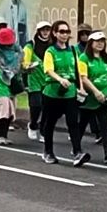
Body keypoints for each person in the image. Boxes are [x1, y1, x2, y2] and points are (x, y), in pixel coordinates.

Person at [40, 20, 89, 166]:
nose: (64, 34)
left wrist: (81, 88)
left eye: (67, 32)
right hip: (53, 92)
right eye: (61, 31)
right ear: (54, 33)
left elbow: (78, 70)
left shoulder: (73, 50)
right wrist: (60, 79)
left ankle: (77, 152)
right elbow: (48, 69)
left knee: (73, 122)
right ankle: (48, 151)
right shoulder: (50, 51)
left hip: (70, 93)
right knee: (50, 123)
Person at [77, 31, 107, 163]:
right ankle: (76, 149)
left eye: (102, 41)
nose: (100, 44)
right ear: (91, 43)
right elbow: (83, 77)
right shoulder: (84, 58)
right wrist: (95, 91)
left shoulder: (105, 58)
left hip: (103, 97)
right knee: (82, 125)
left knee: (105, 125)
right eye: (97, 41)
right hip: (89, 98)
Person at [22, 20, 53, 142]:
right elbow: (25, 61)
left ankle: (43, 132)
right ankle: (33, 124)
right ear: (38, 31)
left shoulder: (52, 46)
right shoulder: (31, 45)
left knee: (47, 107)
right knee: (36, 105)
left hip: (48, 80)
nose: (45, 32)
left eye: (47, 30)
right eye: (43, 30)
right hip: (34, 80)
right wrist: (28, 65)